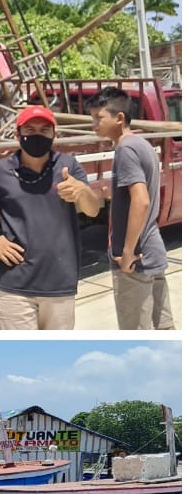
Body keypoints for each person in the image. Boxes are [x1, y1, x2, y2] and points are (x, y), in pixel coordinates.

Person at [0, 106, 100, 329]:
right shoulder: (1, 171)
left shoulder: (68, 167)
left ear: (55, 134)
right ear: (17, 134)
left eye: (44, 129)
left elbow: (92, 210)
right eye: (29, 129)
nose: (37, 135)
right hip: (16, 285)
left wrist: (82, 192)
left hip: (60, 284)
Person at [87, 86, 175, 330]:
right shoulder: (142, 144)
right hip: (151, 252)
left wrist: (127, 252)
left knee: (136, 333)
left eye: (98, 118)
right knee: (163, 329)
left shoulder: (126, 149)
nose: (93, 124)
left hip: (135, 259)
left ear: (119, 118)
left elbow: (141, 200)